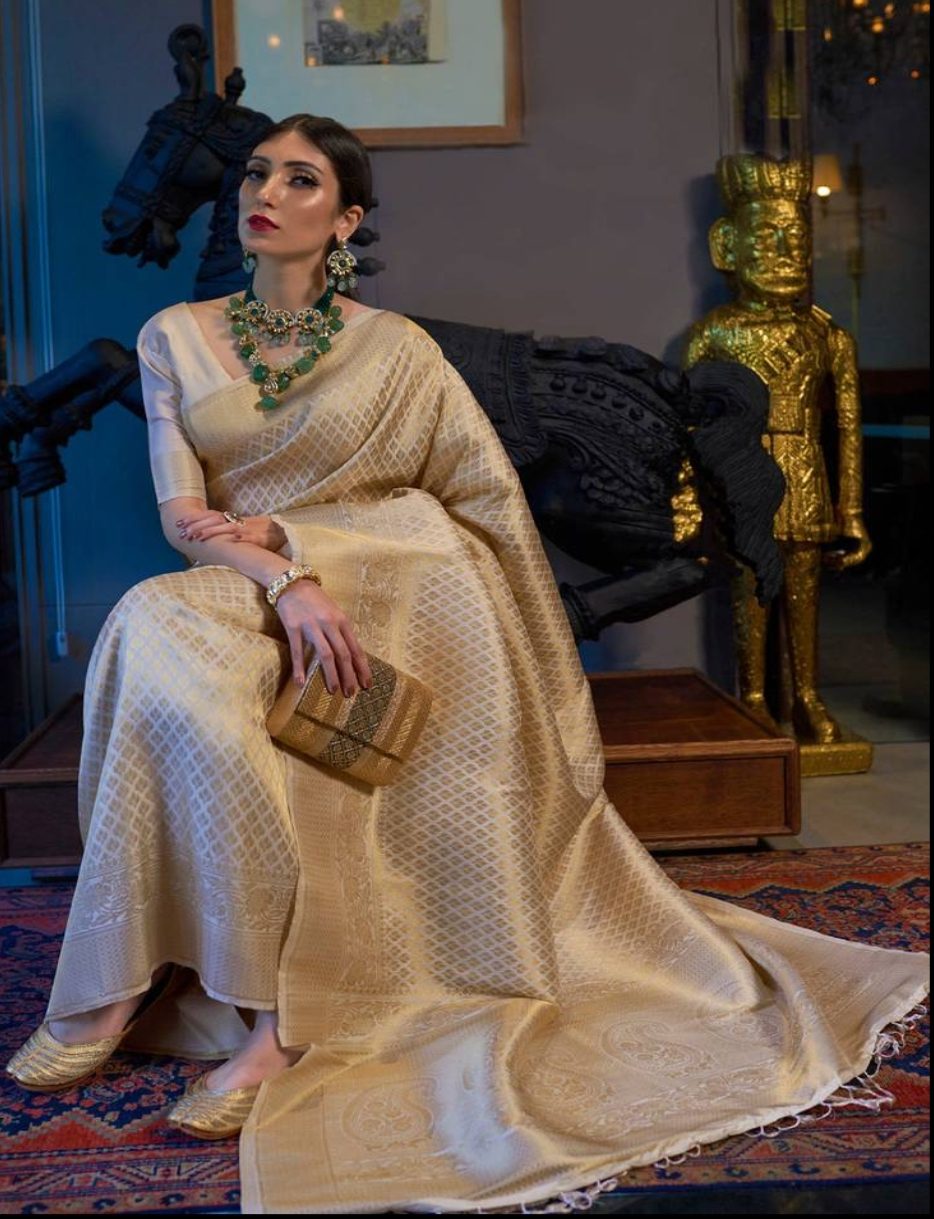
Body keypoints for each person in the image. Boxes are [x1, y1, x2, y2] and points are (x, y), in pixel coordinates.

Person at [6, 115, 929, 1214]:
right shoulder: (176, 334)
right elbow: (184, 515)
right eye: (257, 173)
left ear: (345, 219)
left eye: (300, 180)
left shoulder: (397, 351)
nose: (266, 192)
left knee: (261, 696)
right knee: (154, 634)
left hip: (384, 594)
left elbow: (470, 511)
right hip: (251, 586)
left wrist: (311, 547)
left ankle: (285, 1021)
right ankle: (111, 985)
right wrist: (283, 579)